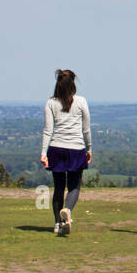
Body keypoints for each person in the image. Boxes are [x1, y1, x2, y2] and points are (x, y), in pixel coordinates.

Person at [40, 69, 91, 236]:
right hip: (76, 148)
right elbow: (86, 129)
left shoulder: (50, 103)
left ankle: (57, 223)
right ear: (73, 84)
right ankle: (67, 210)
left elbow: (48, 130)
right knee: (74, 186)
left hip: (56, 148)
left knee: (59, 187)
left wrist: (43, 153)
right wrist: (89, 148)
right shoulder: (81, 101)